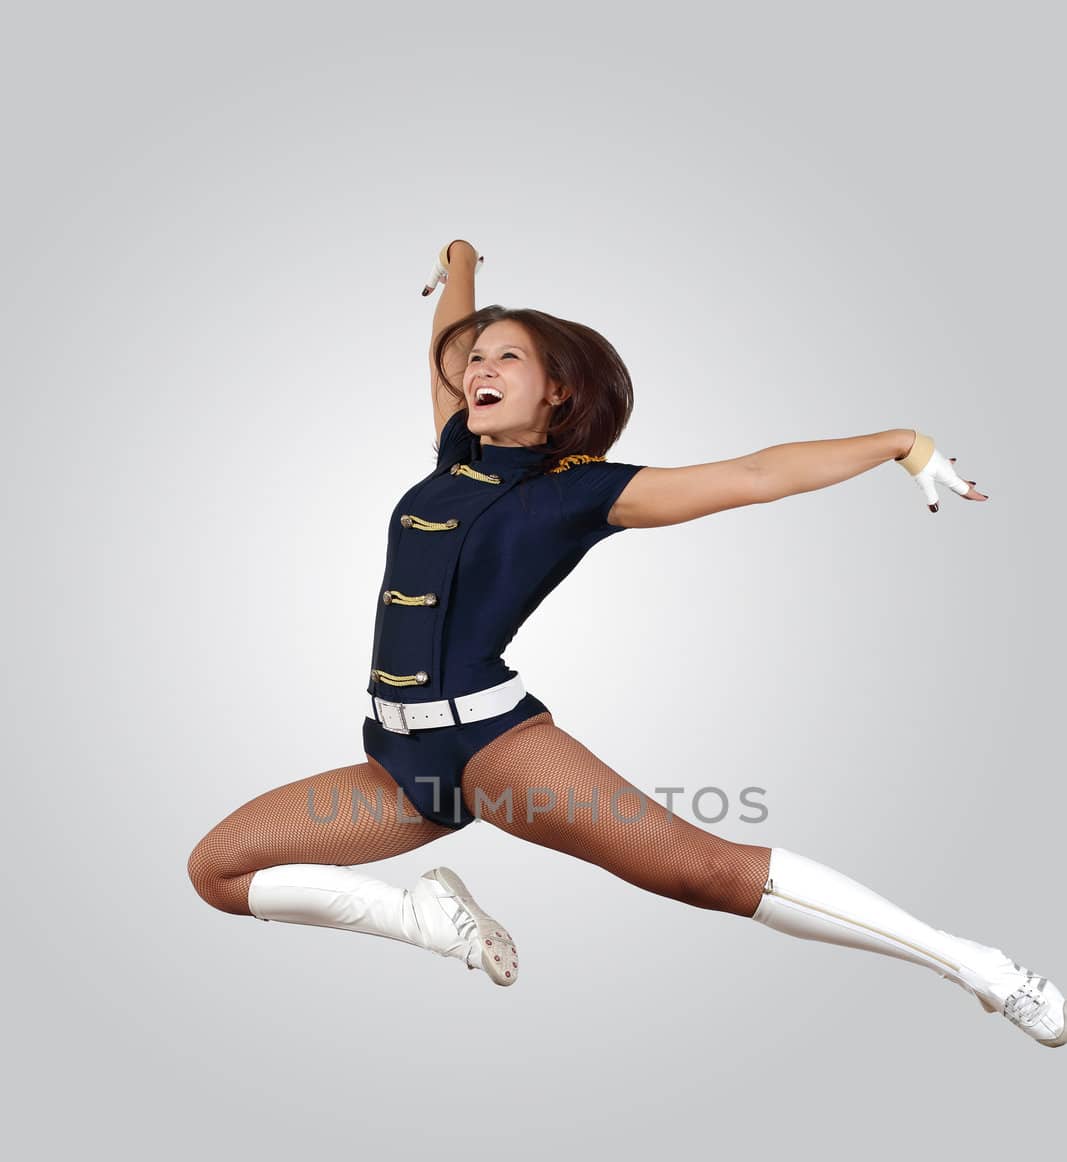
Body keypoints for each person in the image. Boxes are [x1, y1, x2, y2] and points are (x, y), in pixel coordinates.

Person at [187, 239, 1065, 1046]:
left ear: (558, 388)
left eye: (507, 360)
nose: (477, 372)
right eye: (476, 362)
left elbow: (754, 475)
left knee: (704, 873)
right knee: (219, 872)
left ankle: (974, 967)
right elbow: (445, 346)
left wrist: (899, 443)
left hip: (493, 747)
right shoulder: (456, 448)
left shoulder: (583, 491)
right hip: (396, 761)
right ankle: (428, 922)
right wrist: (459, 261)